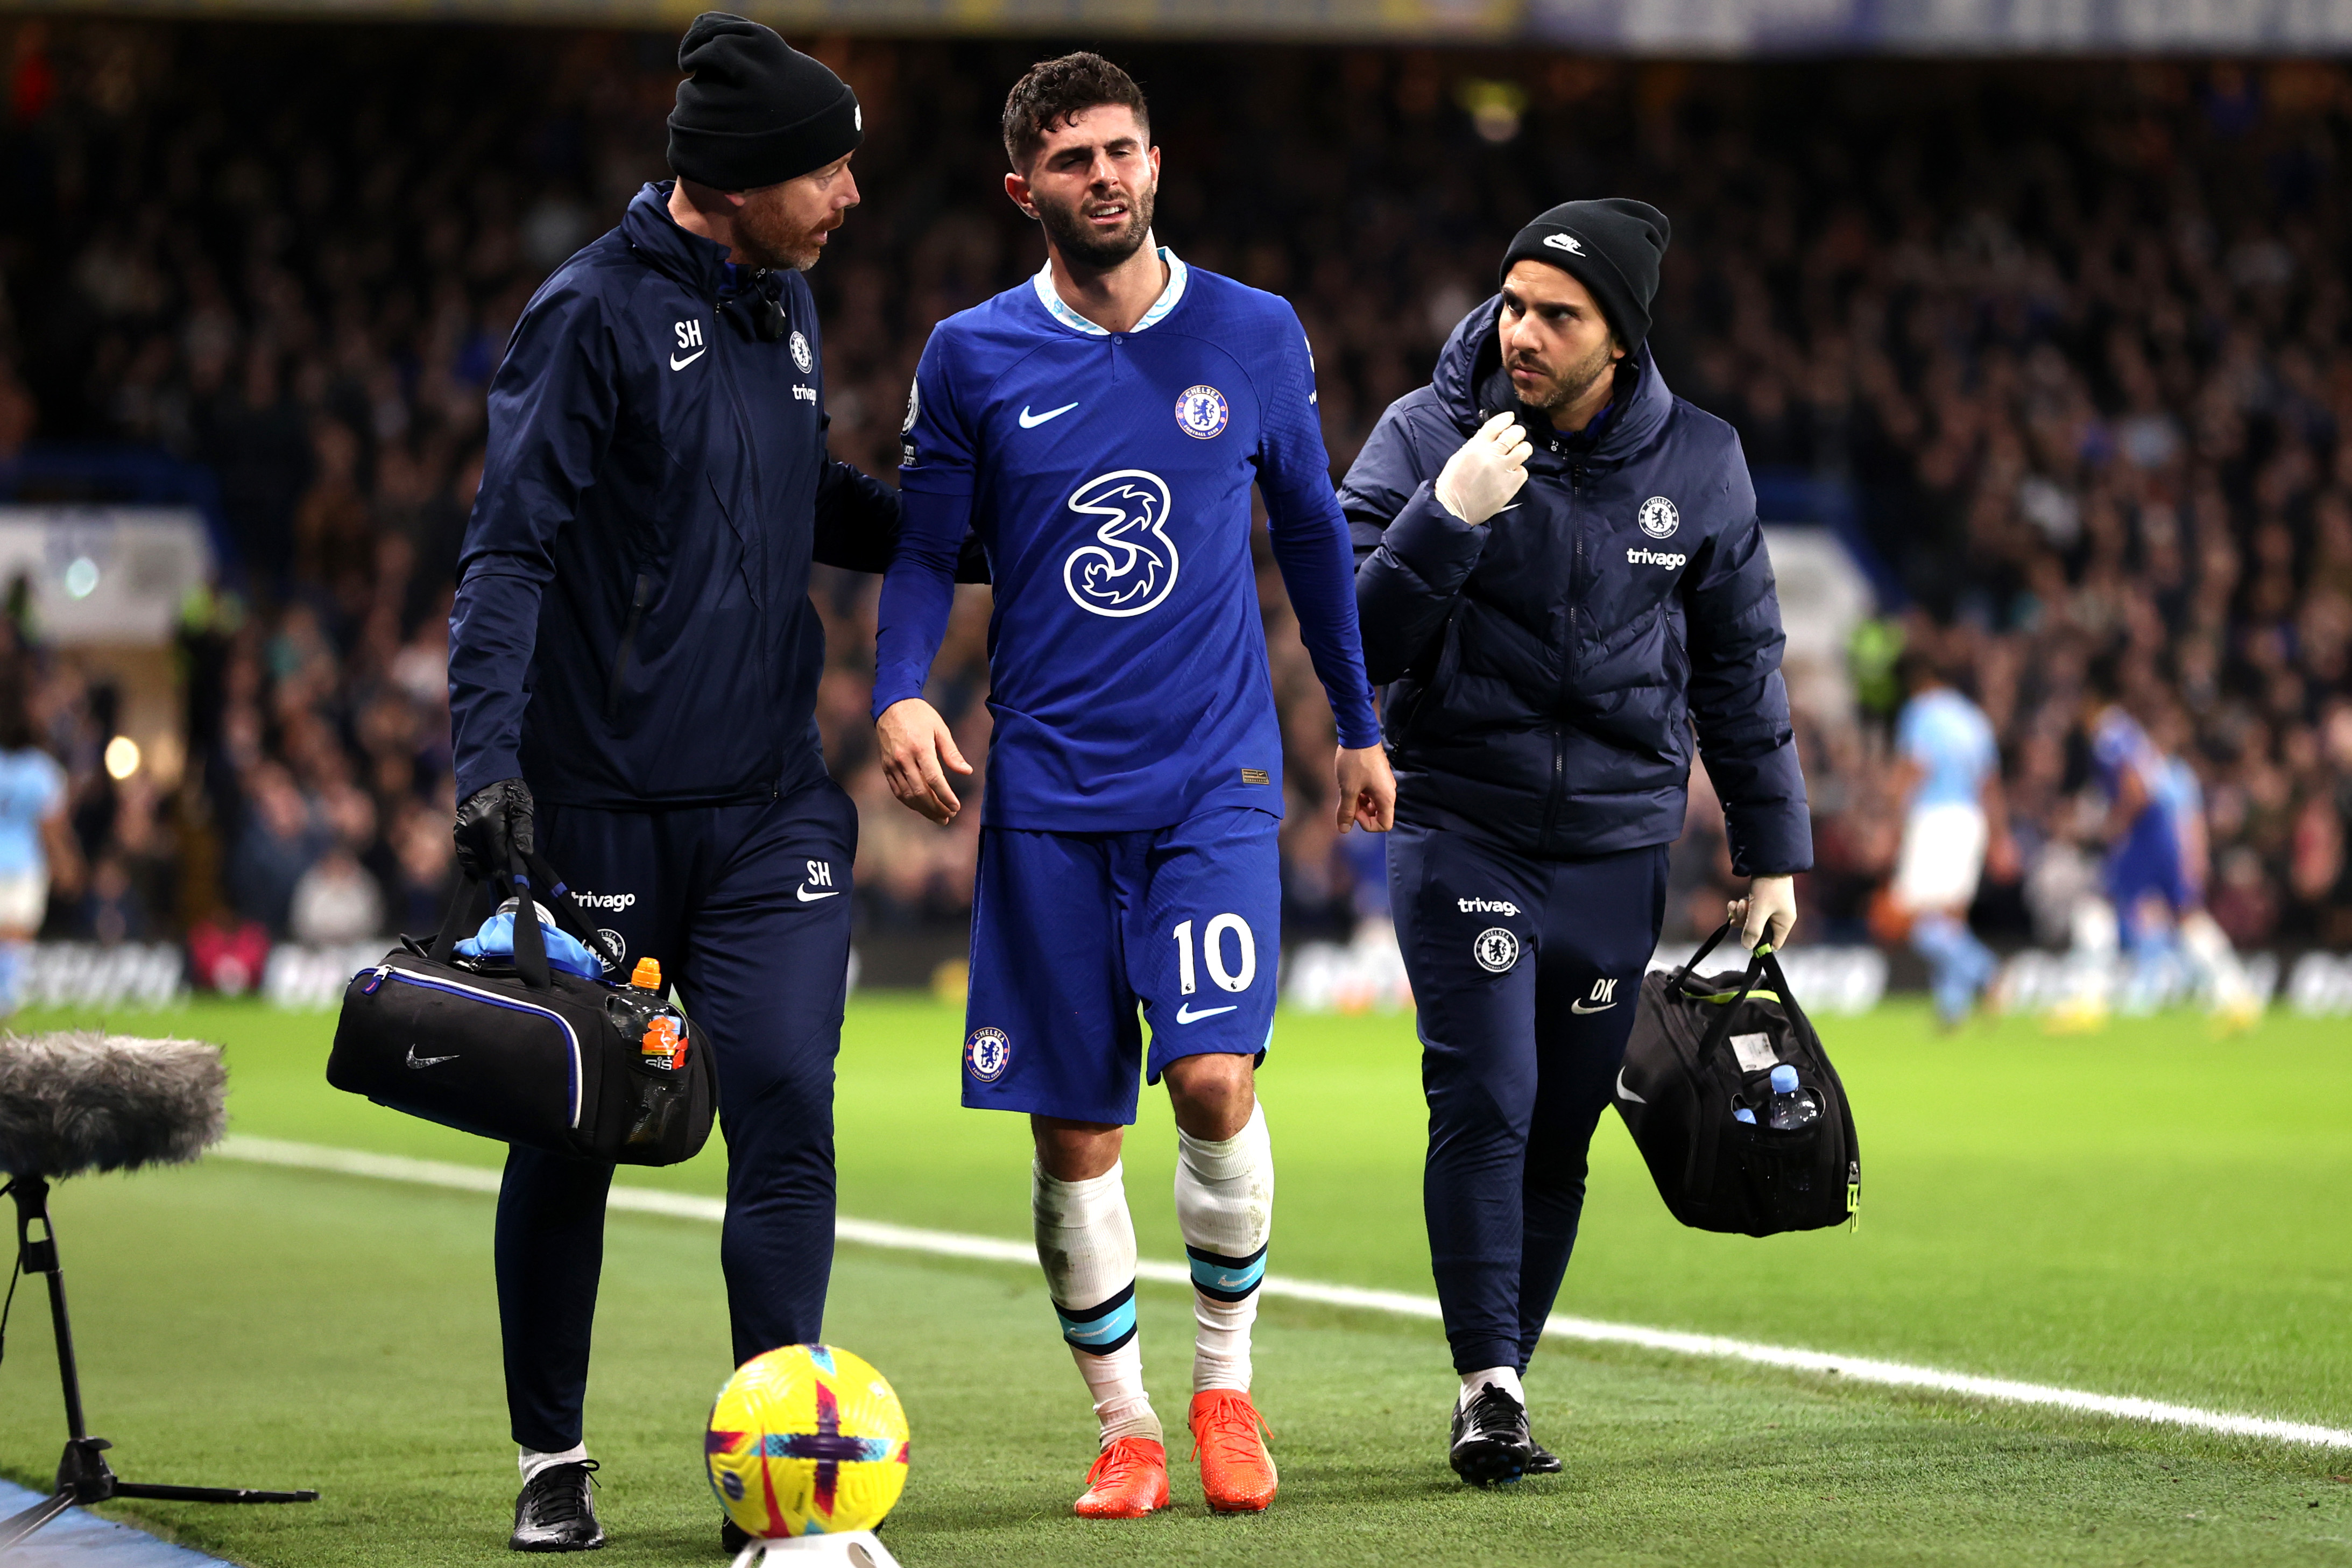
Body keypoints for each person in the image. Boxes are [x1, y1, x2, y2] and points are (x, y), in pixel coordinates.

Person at [446, 14, 952, 1552]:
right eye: (826, 167)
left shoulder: (782, 307)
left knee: (787, 1099)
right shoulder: (587, 318)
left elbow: (813, 504)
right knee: (578, 1129)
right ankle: (552, 1455)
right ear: (734, 181)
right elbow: (510, 550)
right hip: (598, 804)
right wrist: (485, 764)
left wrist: (982, 534)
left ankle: (777, 1488)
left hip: (768, 802)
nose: (852, 193)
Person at [871, 53, 1394, 1521]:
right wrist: (899, 689)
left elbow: (1309, 534)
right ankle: (1125, 1425)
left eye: (1123, 151)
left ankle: (1224, 1392)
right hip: (1044, 790)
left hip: (1214, 776)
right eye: (1074, 159)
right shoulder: (970, 355)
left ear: (1156, 163)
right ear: (1022, 187)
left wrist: (1353, 724)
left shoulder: (1253, 330)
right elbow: (922, 552)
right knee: (1074, 1131)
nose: (1104, 176)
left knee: (1216, 1078)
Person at [1342, 200, 1810, 1485]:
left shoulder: (1701, 462)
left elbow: (1740, 667)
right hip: (1463, 827)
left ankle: (1506, 1379)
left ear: (1620, 337)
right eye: (1513, 305)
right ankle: (1485, 1385)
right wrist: (1444, 512)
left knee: (1560, 1132)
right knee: (1485, 1097)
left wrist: (1769, 850)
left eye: (1560, 314)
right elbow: (1354, 641)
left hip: (1615, 850)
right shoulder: (1427, 433)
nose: (1523, 334)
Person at [2066, 657, 2259, 1030]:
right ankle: (2237, 995)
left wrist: (2117, 825)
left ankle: (2088, 1001)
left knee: (2098, 905)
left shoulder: (2108, 733)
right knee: (2184, 912)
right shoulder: (2126, 730)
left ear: (2090, 700)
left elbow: (2136, 788)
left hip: (2144, 833)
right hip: (2160, 833)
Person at [1887, 649, 2016, 1028]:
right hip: (1970, 821)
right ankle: (1952, 1008)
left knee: (1912, 917)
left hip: (1934, 818)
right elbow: (1989, 784)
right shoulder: (1974, 720)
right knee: (1951, 918)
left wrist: (1891, 818)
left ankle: (1987, 971)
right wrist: (2000, 837)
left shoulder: (1922, 712)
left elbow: (1915, 768)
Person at [0, 668, 63, 1012]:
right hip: (24, 865)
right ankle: (6, 1005)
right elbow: (52, 828)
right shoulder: (41, 770)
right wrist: (67, 866)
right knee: (16, 940)